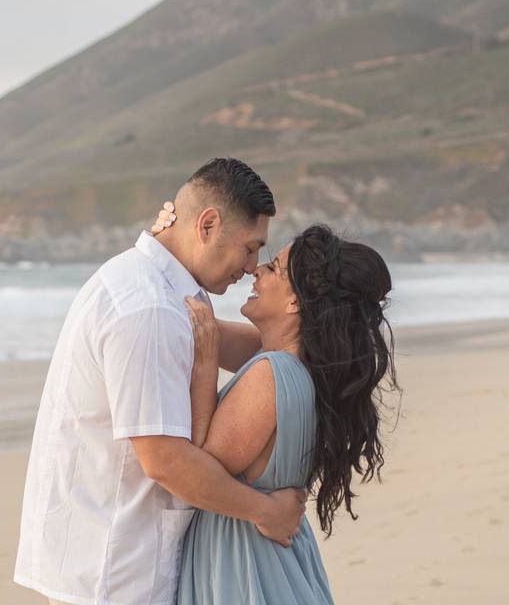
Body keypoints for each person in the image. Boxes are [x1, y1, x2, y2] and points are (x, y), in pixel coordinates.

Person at [14, 158, 309, 605]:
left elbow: (270, 351)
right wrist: (267, 512)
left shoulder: (159, 290)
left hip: (109, 556)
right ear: (207, 224)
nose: (252, 266)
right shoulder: (148, 308)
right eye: (250, 248)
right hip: (114, 569)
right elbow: (165, 461)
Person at [152, 206, 398, 604]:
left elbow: (197, 468)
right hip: (270, 555)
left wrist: (205, 368)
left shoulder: (271, 374)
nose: (255, 271)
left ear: (295, 304)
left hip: (245, 563)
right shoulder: (305, 366)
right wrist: (173, 238)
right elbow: (194, 327)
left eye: (274, 269)